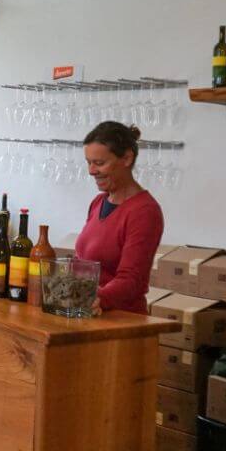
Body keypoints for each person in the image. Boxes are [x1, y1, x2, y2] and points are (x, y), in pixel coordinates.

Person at [75, 121, 165, 314]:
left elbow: (131, 280)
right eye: (88, 162)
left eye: (99, 163)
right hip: (89, 312)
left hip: (122, 318)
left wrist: (97, 298)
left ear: (126, 158)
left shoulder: (144, 211)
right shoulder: (98, 203)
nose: (91, 171)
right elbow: (83, 262)